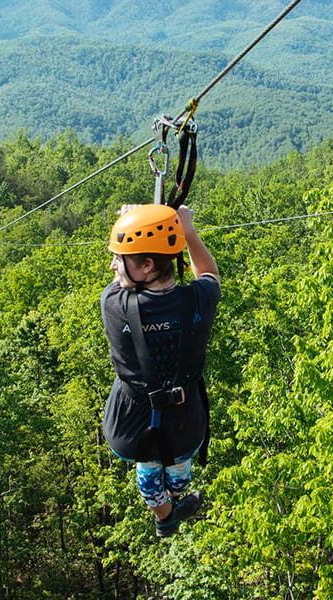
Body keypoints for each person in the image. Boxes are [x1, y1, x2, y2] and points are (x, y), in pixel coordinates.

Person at [100, 203, 220, 536]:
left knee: (149, 476)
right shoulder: (199, 300)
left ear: (148, 265)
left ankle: (165, 515)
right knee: (179, 472)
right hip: (185, 417)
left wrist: (127, 220)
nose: (114, 267)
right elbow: (209, 274)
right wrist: (188, 232)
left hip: (134, 419)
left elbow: (122, 280)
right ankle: (170, 513)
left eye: (119, 260)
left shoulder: (115, 306)